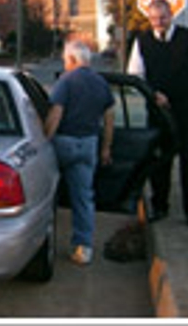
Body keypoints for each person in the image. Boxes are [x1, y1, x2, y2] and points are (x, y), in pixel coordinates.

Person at [127, 0, 188, 228]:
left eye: (163, 17)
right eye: (154, 18)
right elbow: (135, 76)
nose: (159, 22)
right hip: (159, 112)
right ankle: (159, 207)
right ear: (149, 19)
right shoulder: (142, 42)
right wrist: (152, 93)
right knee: (159, 162)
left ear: (171, 15)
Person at [44, 41, 115, 265]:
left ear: (72, 60)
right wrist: (106, 148)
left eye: (66, 60)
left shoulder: (65, 82)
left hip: (63, 143)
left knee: (45, 195)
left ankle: (41, 243)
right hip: (89, 144)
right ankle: (83, 247)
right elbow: (109, 119)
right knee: (83, 198)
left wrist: (44, 141)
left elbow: (55, 114)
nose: (65, 64)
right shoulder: (101, 83)